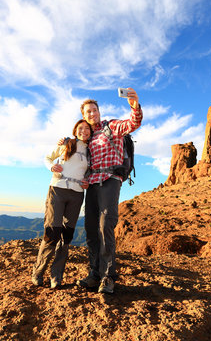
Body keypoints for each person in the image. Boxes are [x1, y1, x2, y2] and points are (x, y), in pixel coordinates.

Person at [76, 88, 142, 294]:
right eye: (88, 112)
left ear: (99, 111)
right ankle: (95, 273)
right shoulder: (87, 137)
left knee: (105, 226)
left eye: (94, 110)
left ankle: (108, 276)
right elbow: (86, 163)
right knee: (91, 228)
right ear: (83, 116)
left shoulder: (111, 126)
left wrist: (134, 106)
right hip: (93, 183)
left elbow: (133, 123)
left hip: (111, 179)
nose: (92, 114)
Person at [31, 119, 92, 289]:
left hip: (77, 194)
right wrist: (51, 166)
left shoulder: (91, 151)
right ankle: (38, 271)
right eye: (81, 128)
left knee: (66, 236)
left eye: (87, 129)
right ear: (75, 130)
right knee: (52, 232)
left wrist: (86, 181)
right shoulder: (67, 144)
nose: (84, 131)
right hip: (57, 190)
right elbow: (47, 157)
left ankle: (56, 275)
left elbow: (88, 172)